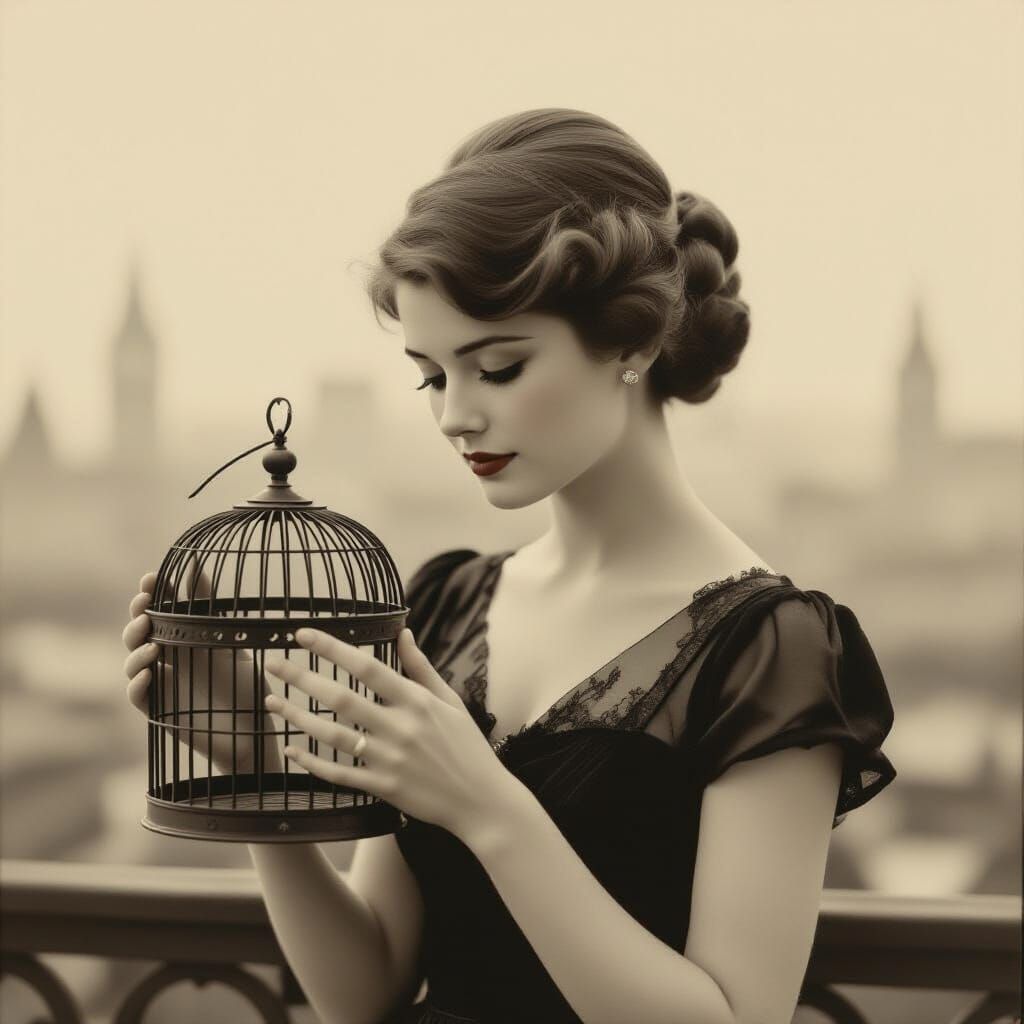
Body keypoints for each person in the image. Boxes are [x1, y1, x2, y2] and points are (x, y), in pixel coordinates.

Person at [122, 108, 897, 1024]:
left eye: (496, 368)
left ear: (636, 343)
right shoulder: (447, 602)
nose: (455, 415)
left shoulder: (770, 651)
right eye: (431, 375)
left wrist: (488, 806)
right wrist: (259, 774)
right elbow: (363, 987)